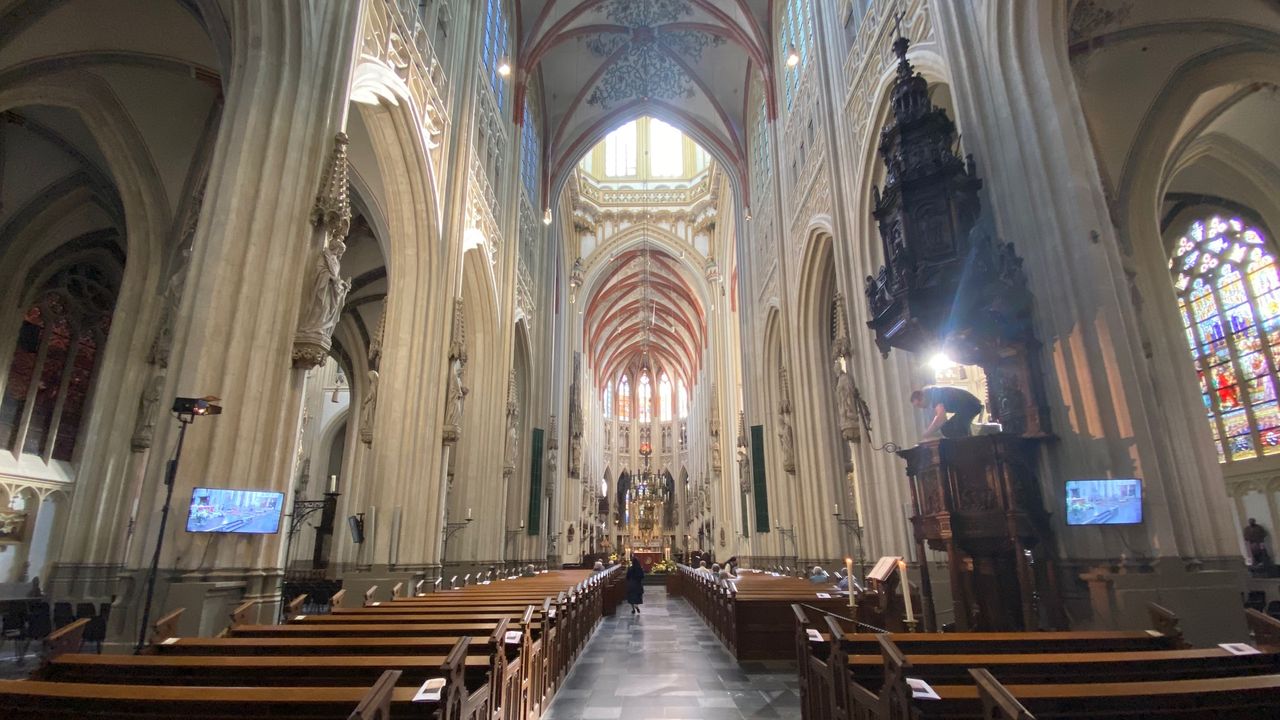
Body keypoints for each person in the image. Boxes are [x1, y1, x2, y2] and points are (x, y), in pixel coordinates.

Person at [911, 385, 983, 439]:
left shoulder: (934, 395)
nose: (921, 407)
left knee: (949, 428)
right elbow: (940, 419)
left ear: (922, 397)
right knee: (949, 428)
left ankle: (967, 448)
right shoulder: (933, 394)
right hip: (969, 406)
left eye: (919, 404)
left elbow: (941, 418)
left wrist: (927, 433)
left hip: (970, 406)